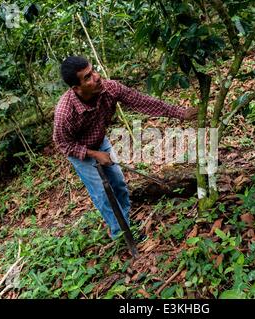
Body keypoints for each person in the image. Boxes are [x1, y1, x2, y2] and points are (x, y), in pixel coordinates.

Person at [53, 56, 198, 239]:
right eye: (87, 77)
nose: (97, 77)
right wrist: (93, 154)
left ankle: (126, 218)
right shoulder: (65, 113)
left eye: (93, 71)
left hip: (99, 141)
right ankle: (121, 233)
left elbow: (142, 102)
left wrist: (180, 113)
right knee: (103, 193)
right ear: (76, 88)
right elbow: (63, 144)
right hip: (79, 151)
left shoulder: (110, 88)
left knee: (118, 183)